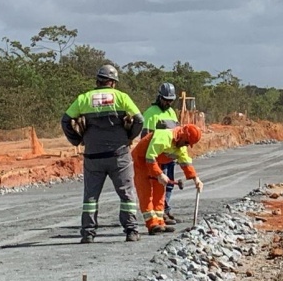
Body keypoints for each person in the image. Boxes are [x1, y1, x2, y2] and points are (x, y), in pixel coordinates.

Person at [61, 64, 145, 243]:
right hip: (119, 155)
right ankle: (131, 231)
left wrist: (76, 140)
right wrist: (129, 137)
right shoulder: (121, 97)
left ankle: (88, 233)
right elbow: (139, 119)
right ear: (113, 82)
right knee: (126, 194)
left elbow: (66, 120)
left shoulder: (84, 98)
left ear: (98, 81)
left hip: (93, 156)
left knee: (90, 197)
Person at [131, 124, 204, 235]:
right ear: (182, 135)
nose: (186, 145)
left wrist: (196, 179)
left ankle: (160, 222)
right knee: (146, 192)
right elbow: (150, 157)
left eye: (188, 144)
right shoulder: (164, 137)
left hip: (156, 162)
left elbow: (185, 163)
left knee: (160, 191)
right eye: (186, 142)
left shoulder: (181, 146)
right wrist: (160, 174)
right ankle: (152, 224)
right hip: (142, 160)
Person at [141, 82, 180, 224]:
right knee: (160, 185)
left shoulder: (171, 112)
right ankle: (160, 213)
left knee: (169, 184)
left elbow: (177, 133)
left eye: (170, 100)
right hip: (158, 157)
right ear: (159, 97)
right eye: (166, 100)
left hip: (170, 157)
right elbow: (146, 137)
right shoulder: (151, 113)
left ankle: (165, 210)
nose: (168, 103)